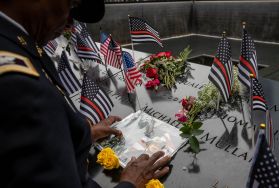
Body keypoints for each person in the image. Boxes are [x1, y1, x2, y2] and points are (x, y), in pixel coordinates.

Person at [0, 0, 171, 188]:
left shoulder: (15, 45)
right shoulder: (17, 84)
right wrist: (130, 183)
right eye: (71, 5)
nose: (70, 24)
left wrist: (80, 135)